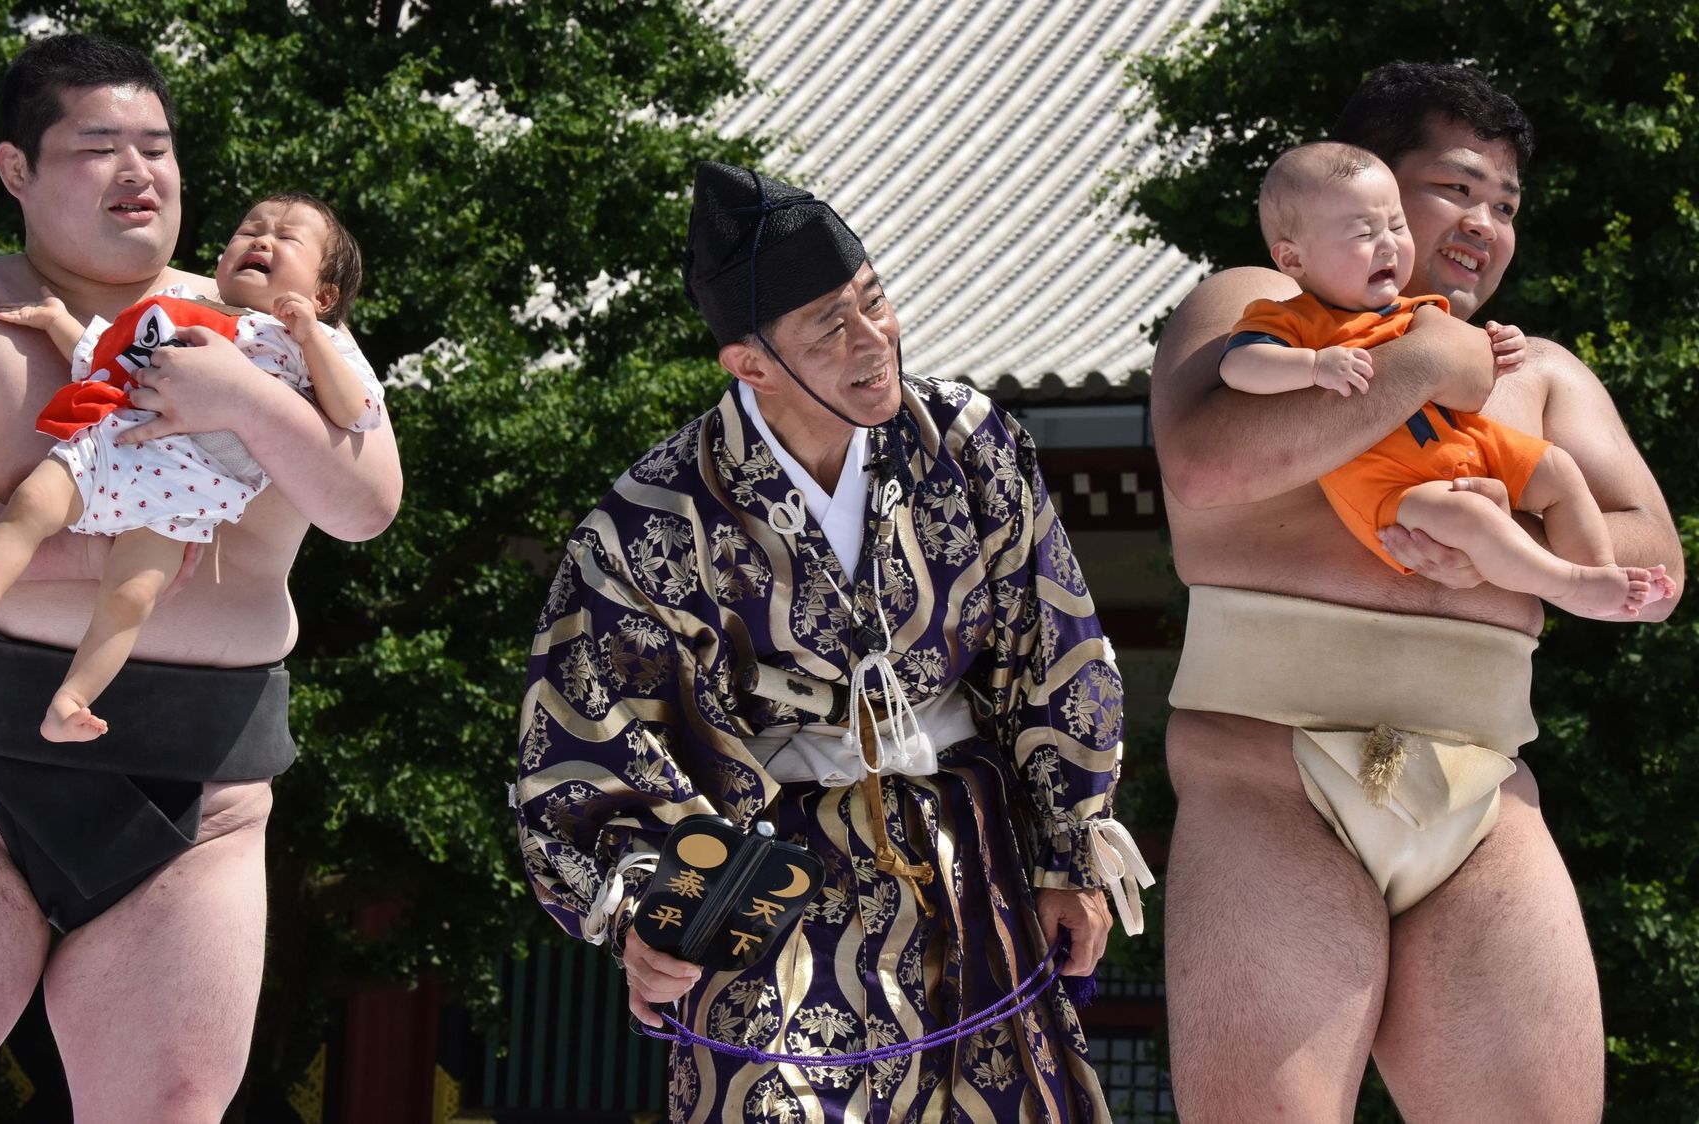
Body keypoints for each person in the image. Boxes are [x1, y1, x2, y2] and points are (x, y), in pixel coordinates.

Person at [0, 33, 399, 1123]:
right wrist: (93, 552)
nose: (139, 171)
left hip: (202, 798)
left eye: (158, 146)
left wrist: (245, 399)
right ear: (16, 168)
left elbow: (363, 503)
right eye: (99, 144)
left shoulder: (269, 335)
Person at [514, 161, 1149, 1122]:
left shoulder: (969, 442)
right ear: (750, 363)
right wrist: (643, 899)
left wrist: (1069, 852)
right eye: (830, 326)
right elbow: (591, 731)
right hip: (766, 879)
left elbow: (1054, 648)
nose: (873, 340)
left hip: (967, 856)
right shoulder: (654, 515)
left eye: (874, 301)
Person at [1152, 61, 1681, 1121]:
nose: (1486, 220)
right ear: (1368, 190)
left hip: (1482, 788)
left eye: (1506, 203)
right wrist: (1426, 355)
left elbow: (1653, 560)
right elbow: (1206, 466)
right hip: (1269, 772)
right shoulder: (1260, 310)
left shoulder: (1545, 374)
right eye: (1457, 188)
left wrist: (1507, 530)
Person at [0, 191, 386, 741]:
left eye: (286, 239)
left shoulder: (318, 343)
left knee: (132, 597)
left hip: (186, 497)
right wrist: (56, 323)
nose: (260, 239)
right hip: (114, 445)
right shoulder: (178, 302)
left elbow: (353, 412)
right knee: (29, 503)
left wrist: (311, 335)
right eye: (249, 230)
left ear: (324, 292)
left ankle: (70, 700)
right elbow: (112, 358)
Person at [1220, 141, 1673, 620]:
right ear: (1292, 259)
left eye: (1395, 226)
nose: (1389, 244)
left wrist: (1501, 346)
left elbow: (1467, 363)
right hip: (1393, 485)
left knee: (1557, 467)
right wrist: (1312, 366)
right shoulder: (1292, 317)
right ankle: (1570, 584)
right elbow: (1240, 365)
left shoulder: (1417, 309)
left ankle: (1598, 572)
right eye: (1363, 233)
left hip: (1462, 444)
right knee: (1472, 518)